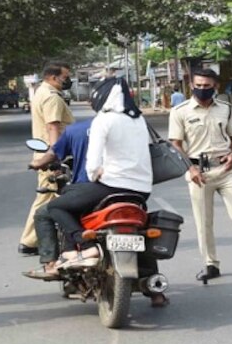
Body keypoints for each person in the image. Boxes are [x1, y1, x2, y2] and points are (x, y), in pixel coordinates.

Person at [26, 104, 167, 307]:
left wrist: (37, 164)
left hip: (94, 189)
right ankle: (156, 293)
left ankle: (54, 263)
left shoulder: (75, 130)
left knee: (47, 211)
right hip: (133, 190)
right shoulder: (134, 127)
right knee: (140, 230)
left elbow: (53, 154)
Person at [168, 67, 232, 281]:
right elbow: (176, 144)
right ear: (191, 86)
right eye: (198, 86)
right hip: (198, 173)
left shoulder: (225, 109)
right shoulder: (180, 111)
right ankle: (211, 264)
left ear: (215, 86)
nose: (202, 89)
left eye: (207, 86)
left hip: (226, 170)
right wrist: (190, 169)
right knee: (203, 221)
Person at [19, 61, 75, 256]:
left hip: (46, 152)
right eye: (65, 77)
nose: (68, 81)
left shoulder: (41, 92)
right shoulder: (52, 97)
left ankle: (31, 241)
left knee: (48, 196)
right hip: (51, 155)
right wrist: (56, 157)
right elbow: (53, 127)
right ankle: (29, 241)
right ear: (53, 77)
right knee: (47, 197)